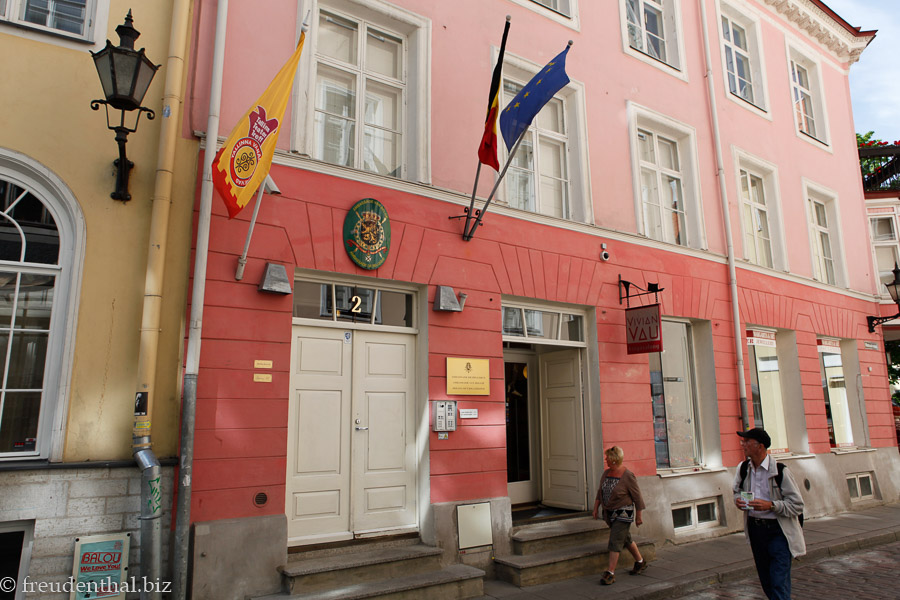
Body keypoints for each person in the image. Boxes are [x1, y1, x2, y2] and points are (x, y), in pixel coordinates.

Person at [733, 428, 805, 600]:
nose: (743, 444)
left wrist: (771, 505)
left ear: (760, 446)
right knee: (766, 580)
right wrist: (738, 501)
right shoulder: (743, 468)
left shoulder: (780, 471)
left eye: (747, 441)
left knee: (778, 581)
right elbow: (736, 490)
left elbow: (797, 505)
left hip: (778, 532)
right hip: (756, 531)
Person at [592, 445, 647, 585]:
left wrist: (638, 516)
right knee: (625, 539)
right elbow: (600, 492)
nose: (606, 460)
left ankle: (610, 573)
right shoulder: (606, 473)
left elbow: (637, 497)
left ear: (614, 460)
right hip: (610, 513)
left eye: (607, 458)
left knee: (615, 540)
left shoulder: (628, 476)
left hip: (624, 512)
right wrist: (595, 507)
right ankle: (640, 562)